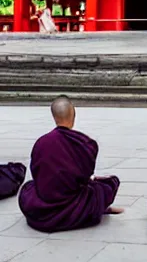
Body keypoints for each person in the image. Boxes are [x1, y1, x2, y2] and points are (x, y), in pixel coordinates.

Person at [19, 96, 122, 232]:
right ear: (73, 114)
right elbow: (85, 178)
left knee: (28, 188)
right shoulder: (85, 143)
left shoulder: (41, 143)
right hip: (74, 206)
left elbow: (37, 174)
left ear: (54, 116)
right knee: (109, 184)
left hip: (43, 208)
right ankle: (94, 210)